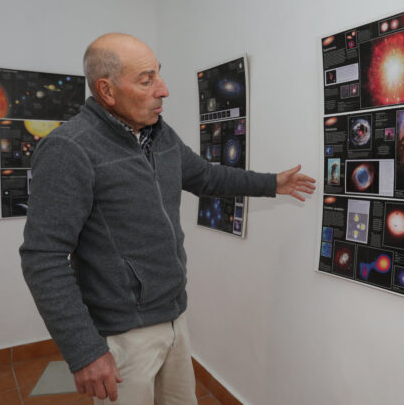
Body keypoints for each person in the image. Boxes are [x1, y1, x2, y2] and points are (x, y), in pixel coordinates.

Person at [20, 33, 316, 405]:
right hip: (123, 335)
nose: (163, 90)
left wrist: (272, 183)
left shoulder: (159, 135)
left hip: (174, 318)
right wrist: (84, 351)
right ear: (106, 91)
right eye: (146, 80)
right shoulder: (69, 149)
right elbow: (42, 257)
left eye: (158, 75)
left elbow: (206, 176)